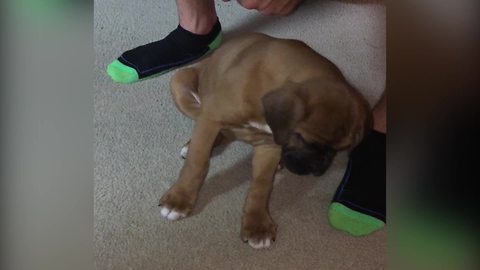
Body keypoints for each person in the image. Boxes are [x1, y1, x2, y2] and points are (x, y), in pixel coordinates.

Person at [107, 0, 386, 236]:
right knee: (187, 90)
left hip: (275, 116)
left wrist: (256, 209)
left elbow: (272, 141)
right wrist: (186, 187)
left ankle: (384, 128)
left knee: (271, 142)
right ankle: (196, 29)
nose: (320, 164)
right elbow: (215, 119)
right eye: (312, 143)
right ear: (285, 113)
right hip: (222, 100)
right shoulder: (252, 90)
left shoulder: (294, 106)